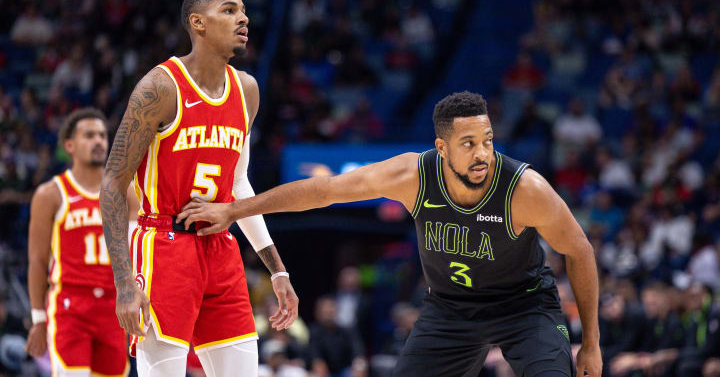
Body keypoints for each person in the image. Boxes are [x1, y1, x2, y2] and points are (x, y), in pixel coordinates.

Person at [178, 91, 603, 377]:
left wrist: (592, 344)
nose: (483, 154)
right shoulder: (413, 175)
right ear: (441, 148)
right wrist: (235, 208)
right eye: (469, 143)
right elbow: (324, 192)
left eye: (488, 140)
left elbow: (579, 251)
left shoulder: (524, 189)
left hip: (523, 306)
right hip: (450, 309)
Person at [99, 0, 299, 377]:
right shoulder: (159, 87)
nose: (243, 18)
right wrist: (123, 282)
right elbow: (112, 182)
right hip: (163, 246)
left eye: (243, 10)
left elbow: (239, 185)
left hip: (220, 249)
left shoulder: (247, 90)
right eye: (229, 10)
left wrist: (277, 270)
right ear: (198, 23)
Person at [25, 108, 137, 376]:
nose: (98, 141)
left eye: (102, 135)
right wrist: (39, 319)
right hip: (70, 306)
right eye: (89, 135)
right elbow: (37, 261)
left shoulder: (126, 192)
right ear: (69, 145)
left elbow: (139, 250)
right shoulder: (50, 194)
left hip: (115, 305)